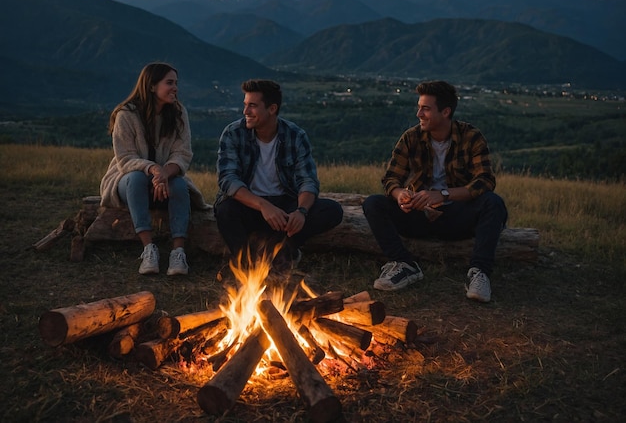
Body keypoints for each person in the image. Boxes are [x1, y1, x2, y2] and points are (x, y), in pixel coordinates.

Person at [362, 80, 508, 302]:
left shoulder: (471, 137)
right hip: (419, 216)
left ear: (446, 112)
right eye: (419, 107)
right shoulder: (411, 138)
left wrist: (444, 195)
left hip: (457, 216)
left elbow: (485, 181)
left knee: (493, 203)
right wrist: (400, 194)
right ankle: (405, 264)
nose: (419, 113)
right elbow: (391, 178)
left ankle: (479, 272)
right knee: (373, 204)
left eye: (426, 108)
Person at [214, 79, 343, 273]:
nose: (245, 112)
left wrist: (301, 212)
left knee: (332, 210)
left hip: (285, 207)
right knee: (225, 210)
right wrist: (264, 206)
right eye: (245, 105)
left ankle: (285, 250)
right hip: (251, 206)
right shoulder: (233, 134)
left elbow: (307, 180)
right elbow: (228, 180)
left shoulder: (295, 135)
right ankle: (246, 266)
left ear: (272, 109)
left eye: (252, 106)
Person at [100, 62, 206, 276]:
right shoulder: (126, 114)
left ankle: (178, 252)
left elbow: (182, 153)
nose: (175, 88)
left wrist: (164, 174)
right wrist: (154, 170)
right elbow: (126, 159)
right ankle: (148, 248)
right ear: (151, 86)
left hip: (165, 179)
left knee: (178, 184)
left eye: (176, 83)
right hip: (127, 180)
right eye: (169, 83)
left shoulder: (178, 113)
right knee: (137, 178)